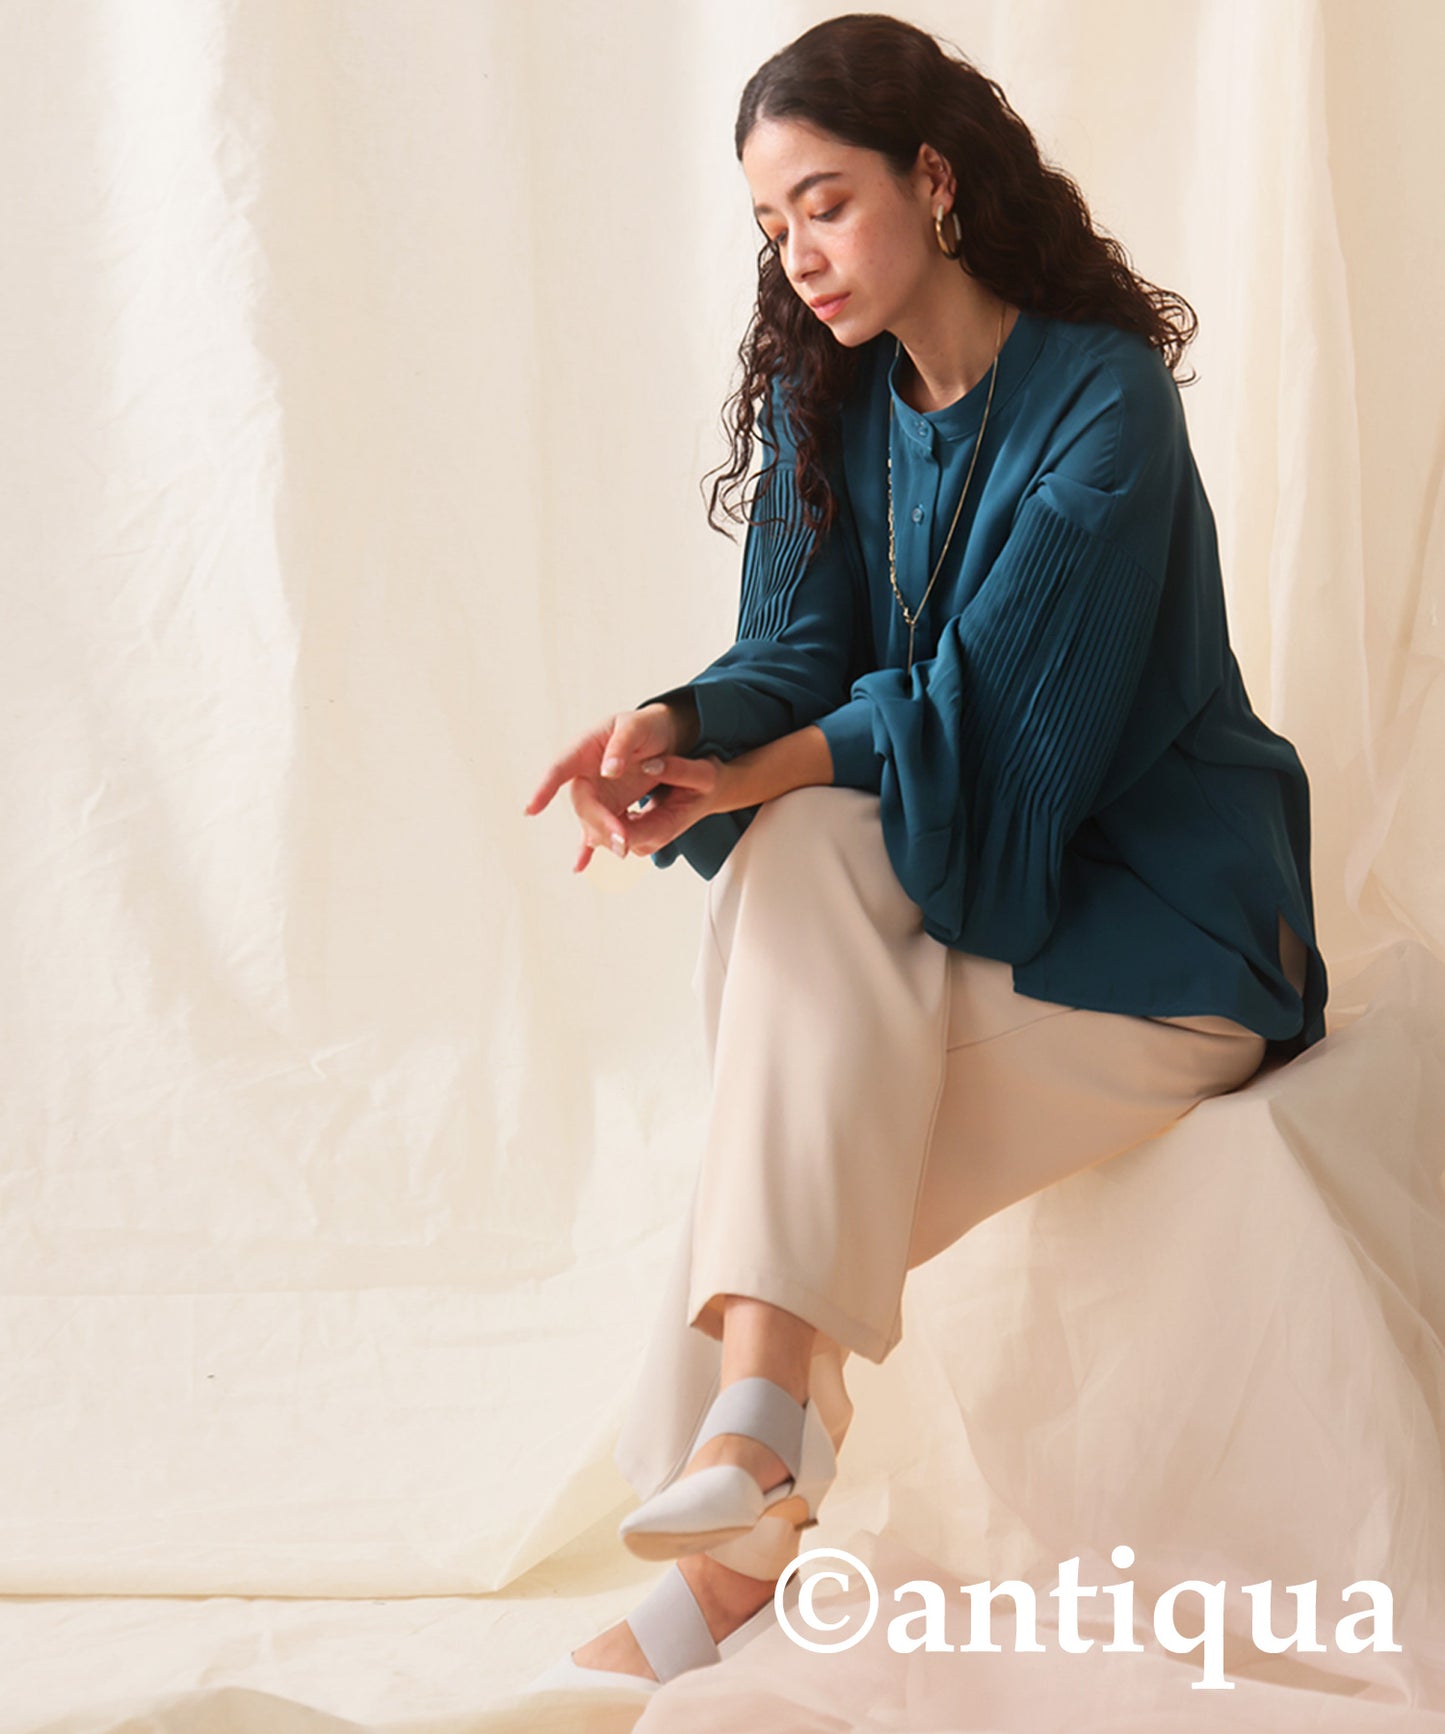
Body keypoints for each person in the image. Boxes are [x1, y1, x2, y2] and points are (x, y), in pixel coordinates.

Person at [521, 11, 1328, 1700]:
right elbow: (793, 658)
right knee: (799, 898)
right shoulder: (833, 400)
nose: (796, 255)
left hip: (1167, 937)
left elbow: (995, 718)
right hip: (987, 924)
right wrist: (673, 727)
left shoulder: (1104, 401)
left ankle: (734, 1538)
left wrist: (751, 774)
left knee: (801, 1044)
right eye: (770, 225)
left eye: (824, 203)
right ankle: (752, 1451)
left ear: (935, 179)